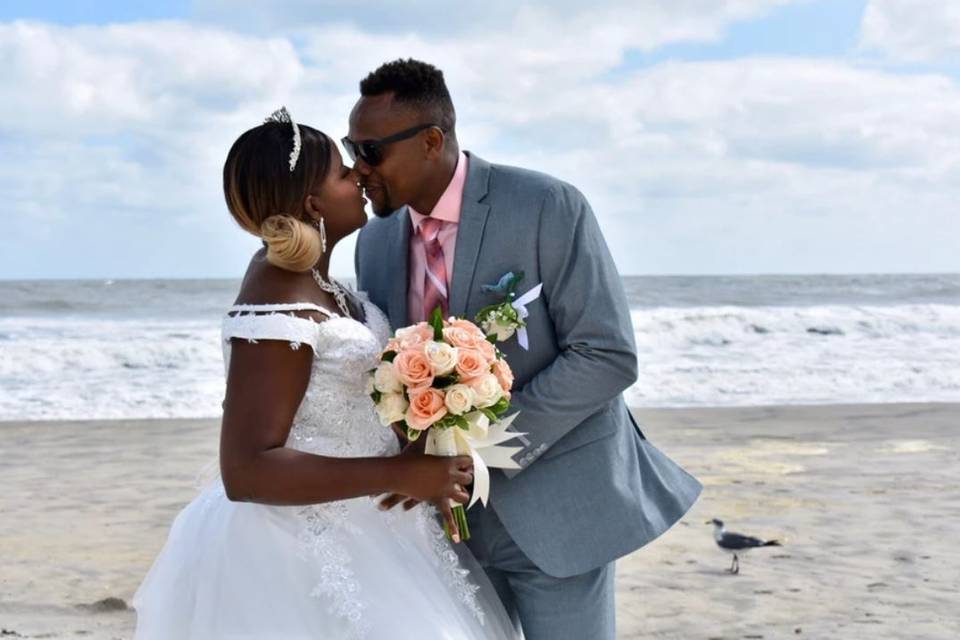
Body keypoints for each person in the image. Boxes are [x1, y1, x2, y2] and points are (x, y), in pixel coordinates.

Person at [132, 108, 518, 639]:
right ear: (313, 203)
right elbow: (246, 471)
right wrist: (397, 475)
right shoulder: (275, 298)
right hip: (300, 544)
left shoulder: (318, 282)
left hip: (381, 528)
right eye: (342, 171)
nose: (359, 174)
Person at [352, 59, 703, 639]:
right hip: (442, 529)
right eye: (351, 148)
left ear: (431, 141)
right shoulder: (374, 241)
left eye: (369, 151)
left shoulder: (547, 205)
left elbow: (606, 353)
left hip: (556, 507)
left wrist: (484, 449)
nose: (357, 168)